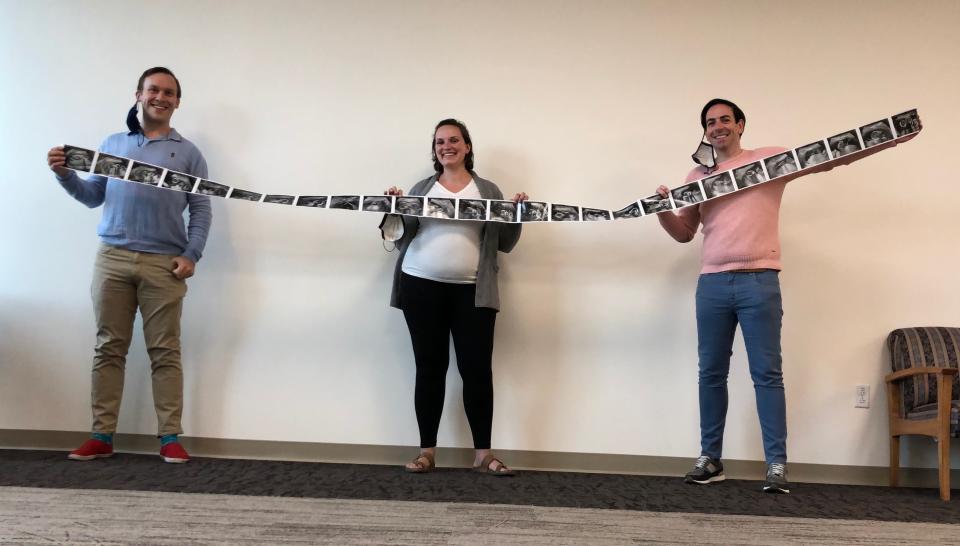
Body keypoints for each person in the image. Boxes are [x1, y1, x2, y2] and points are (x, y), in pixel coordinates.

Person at [46, 67, 212, 464]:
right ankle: (102, 435)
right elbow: (91, 197)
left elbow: (202, 208)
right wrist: (65, 175)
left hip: (164, 265)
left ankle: (170, 437)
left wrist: (191, 254)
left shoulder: (189, 153)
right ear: (139, 94)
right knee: (109, 348)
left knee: (165, 351)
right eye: (154, 89)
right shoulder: (112, 143)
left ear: (177, 101)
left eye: (169, 92)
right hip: (112, 259)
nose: (161, 96)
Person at [655, 98, 791, 494]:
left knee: (767, 374)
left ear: (740, 125)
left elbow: (828, 157)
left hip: (760, 281)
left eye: (725, 120)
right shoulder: (698, 174)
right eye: (711, 122)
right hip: (712, 284)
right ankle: (710, 458)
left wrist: (887, 139)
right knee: (711, 373)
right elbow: (684, 232)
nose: (718, 127)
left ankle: (776, 464)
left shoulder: (770, 160)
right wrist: (664, 208)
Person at [382, 118, 527, 476]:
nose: (446, 146)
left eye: (453, 140)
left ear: (467, 147)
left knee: (476, 370)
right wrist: (395, 207)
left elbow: (505, 244)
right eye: (439, 142)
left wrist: (518, 214)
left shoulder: (488, 190)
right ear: (435, 150)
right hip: (420, 286)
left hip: (473, 293)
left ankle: (483, 455)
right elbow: (398, 238)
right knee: (430, 368)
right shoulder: (421, 188)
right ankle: (427, 452)